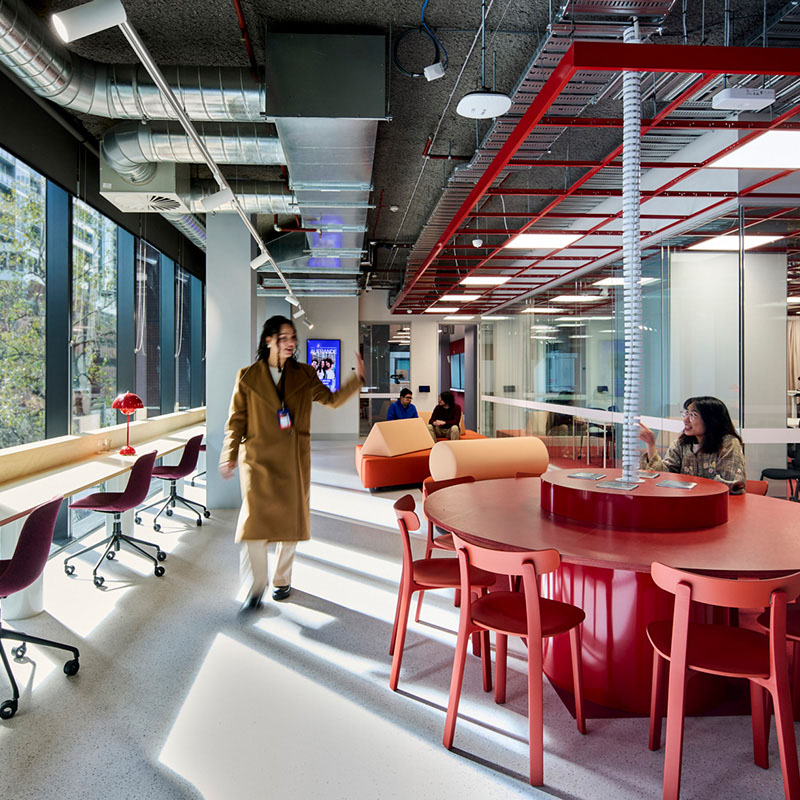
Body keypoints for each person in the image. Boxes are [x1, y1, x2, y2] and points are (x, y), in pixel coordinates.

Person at [220, 315, 365, 611]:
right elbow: (236, 421)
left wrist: (357, 380)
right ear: (268, 340)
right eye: (283, 337)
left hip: (292, 460)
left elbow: (332, 400)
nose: (290, 343)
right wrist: (229, 455)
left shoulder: (305, 374)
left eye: (292, 337)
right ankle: (256, 585)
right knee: (253, 524)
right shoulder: (246, 376)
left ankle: (281, 579)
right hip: (257, 460)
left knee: (290, 523)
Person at [638, 395, 745, 494]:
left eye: (693, 415)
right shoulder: (681, 444)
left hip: (716, 503)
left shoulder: (728, 443)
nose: (685, 420)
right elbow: (662, 476)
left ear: (711, 420)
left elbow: (730, 483)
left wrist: (687, 485)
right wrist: (651, 445)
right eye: (686, 414)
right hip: (685, 501)